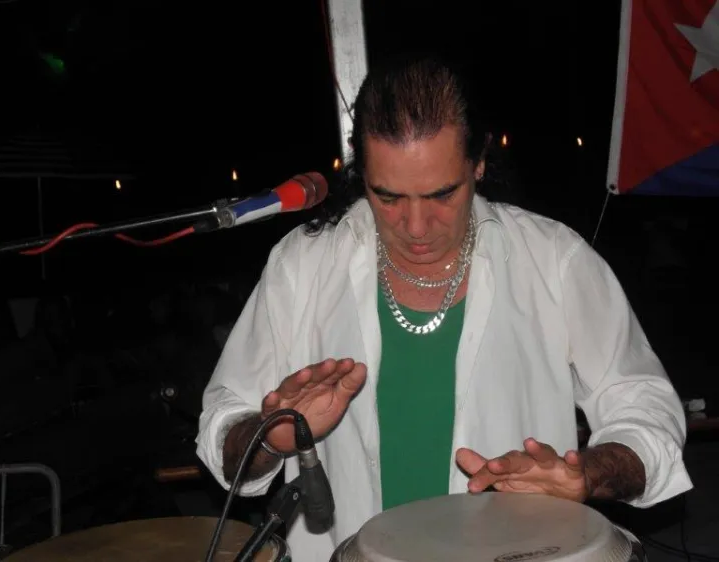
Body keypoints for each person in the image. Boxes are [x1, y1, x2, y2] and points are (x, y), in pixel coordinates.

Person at [196, 54, 692, 561]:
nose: (416, 226)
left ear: (478, 162)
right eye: (388, 197)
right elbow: (221, 427)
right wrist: (270, 438)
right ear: (361, 174)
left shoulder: (554, 261)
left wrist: (586, 473)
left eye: (441, 194)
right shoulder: (302, 266)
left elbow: (646, 409)